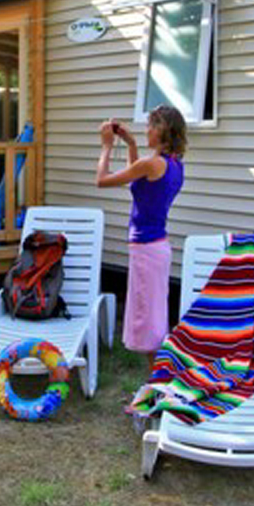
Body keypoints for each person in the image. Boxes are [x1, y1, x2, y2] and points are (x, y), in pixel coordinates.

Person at [95, 105, 186, 359]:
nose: (147, 130)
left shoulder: (151, 164)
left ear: (162, 130)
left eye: (150, 126)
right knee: (153, 319)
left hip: (147, 250)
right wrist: (131, 143)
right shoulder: (174, 164)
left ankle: (158, 379)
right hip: (157, 247)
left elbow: (102, 180)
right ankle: (157, 378)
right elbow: (138, 184)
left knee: (150, 327)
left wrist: (107, 146)